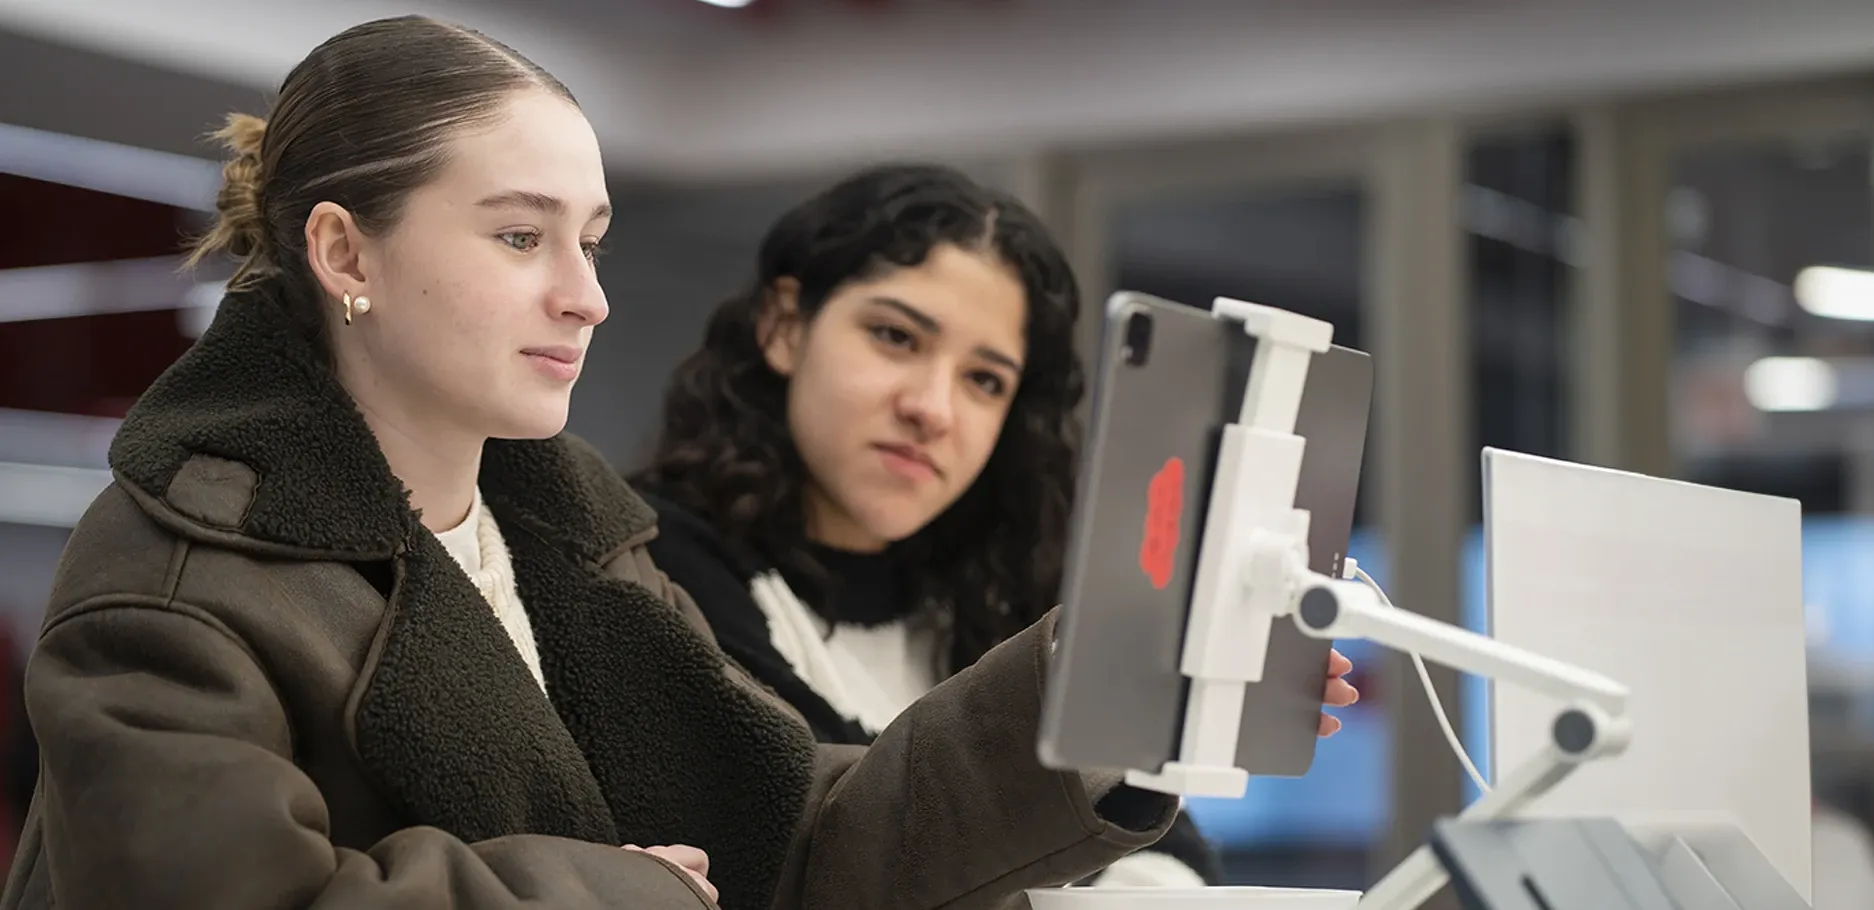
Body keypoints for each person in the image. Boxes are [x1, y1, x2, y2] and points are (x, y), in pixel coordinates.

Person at [1, 17, 1183, 910]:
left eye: (592, 241)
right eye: (521, 237)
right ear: (342, 248)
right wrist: (614, 891)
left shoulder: (569, 543)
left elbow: (792, 833)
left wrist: (1092, 686)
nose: (587, 296)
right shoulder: (172, 572)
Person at [633, 164, 1362, 888]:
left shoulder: (993, 585)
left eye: (985, 380)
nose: (933, 408)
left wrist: (1155, 705)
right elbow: (840, 827)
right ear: (785, 326)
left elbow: (1178, 861)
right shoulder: (653, 559)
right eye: (894, 336)